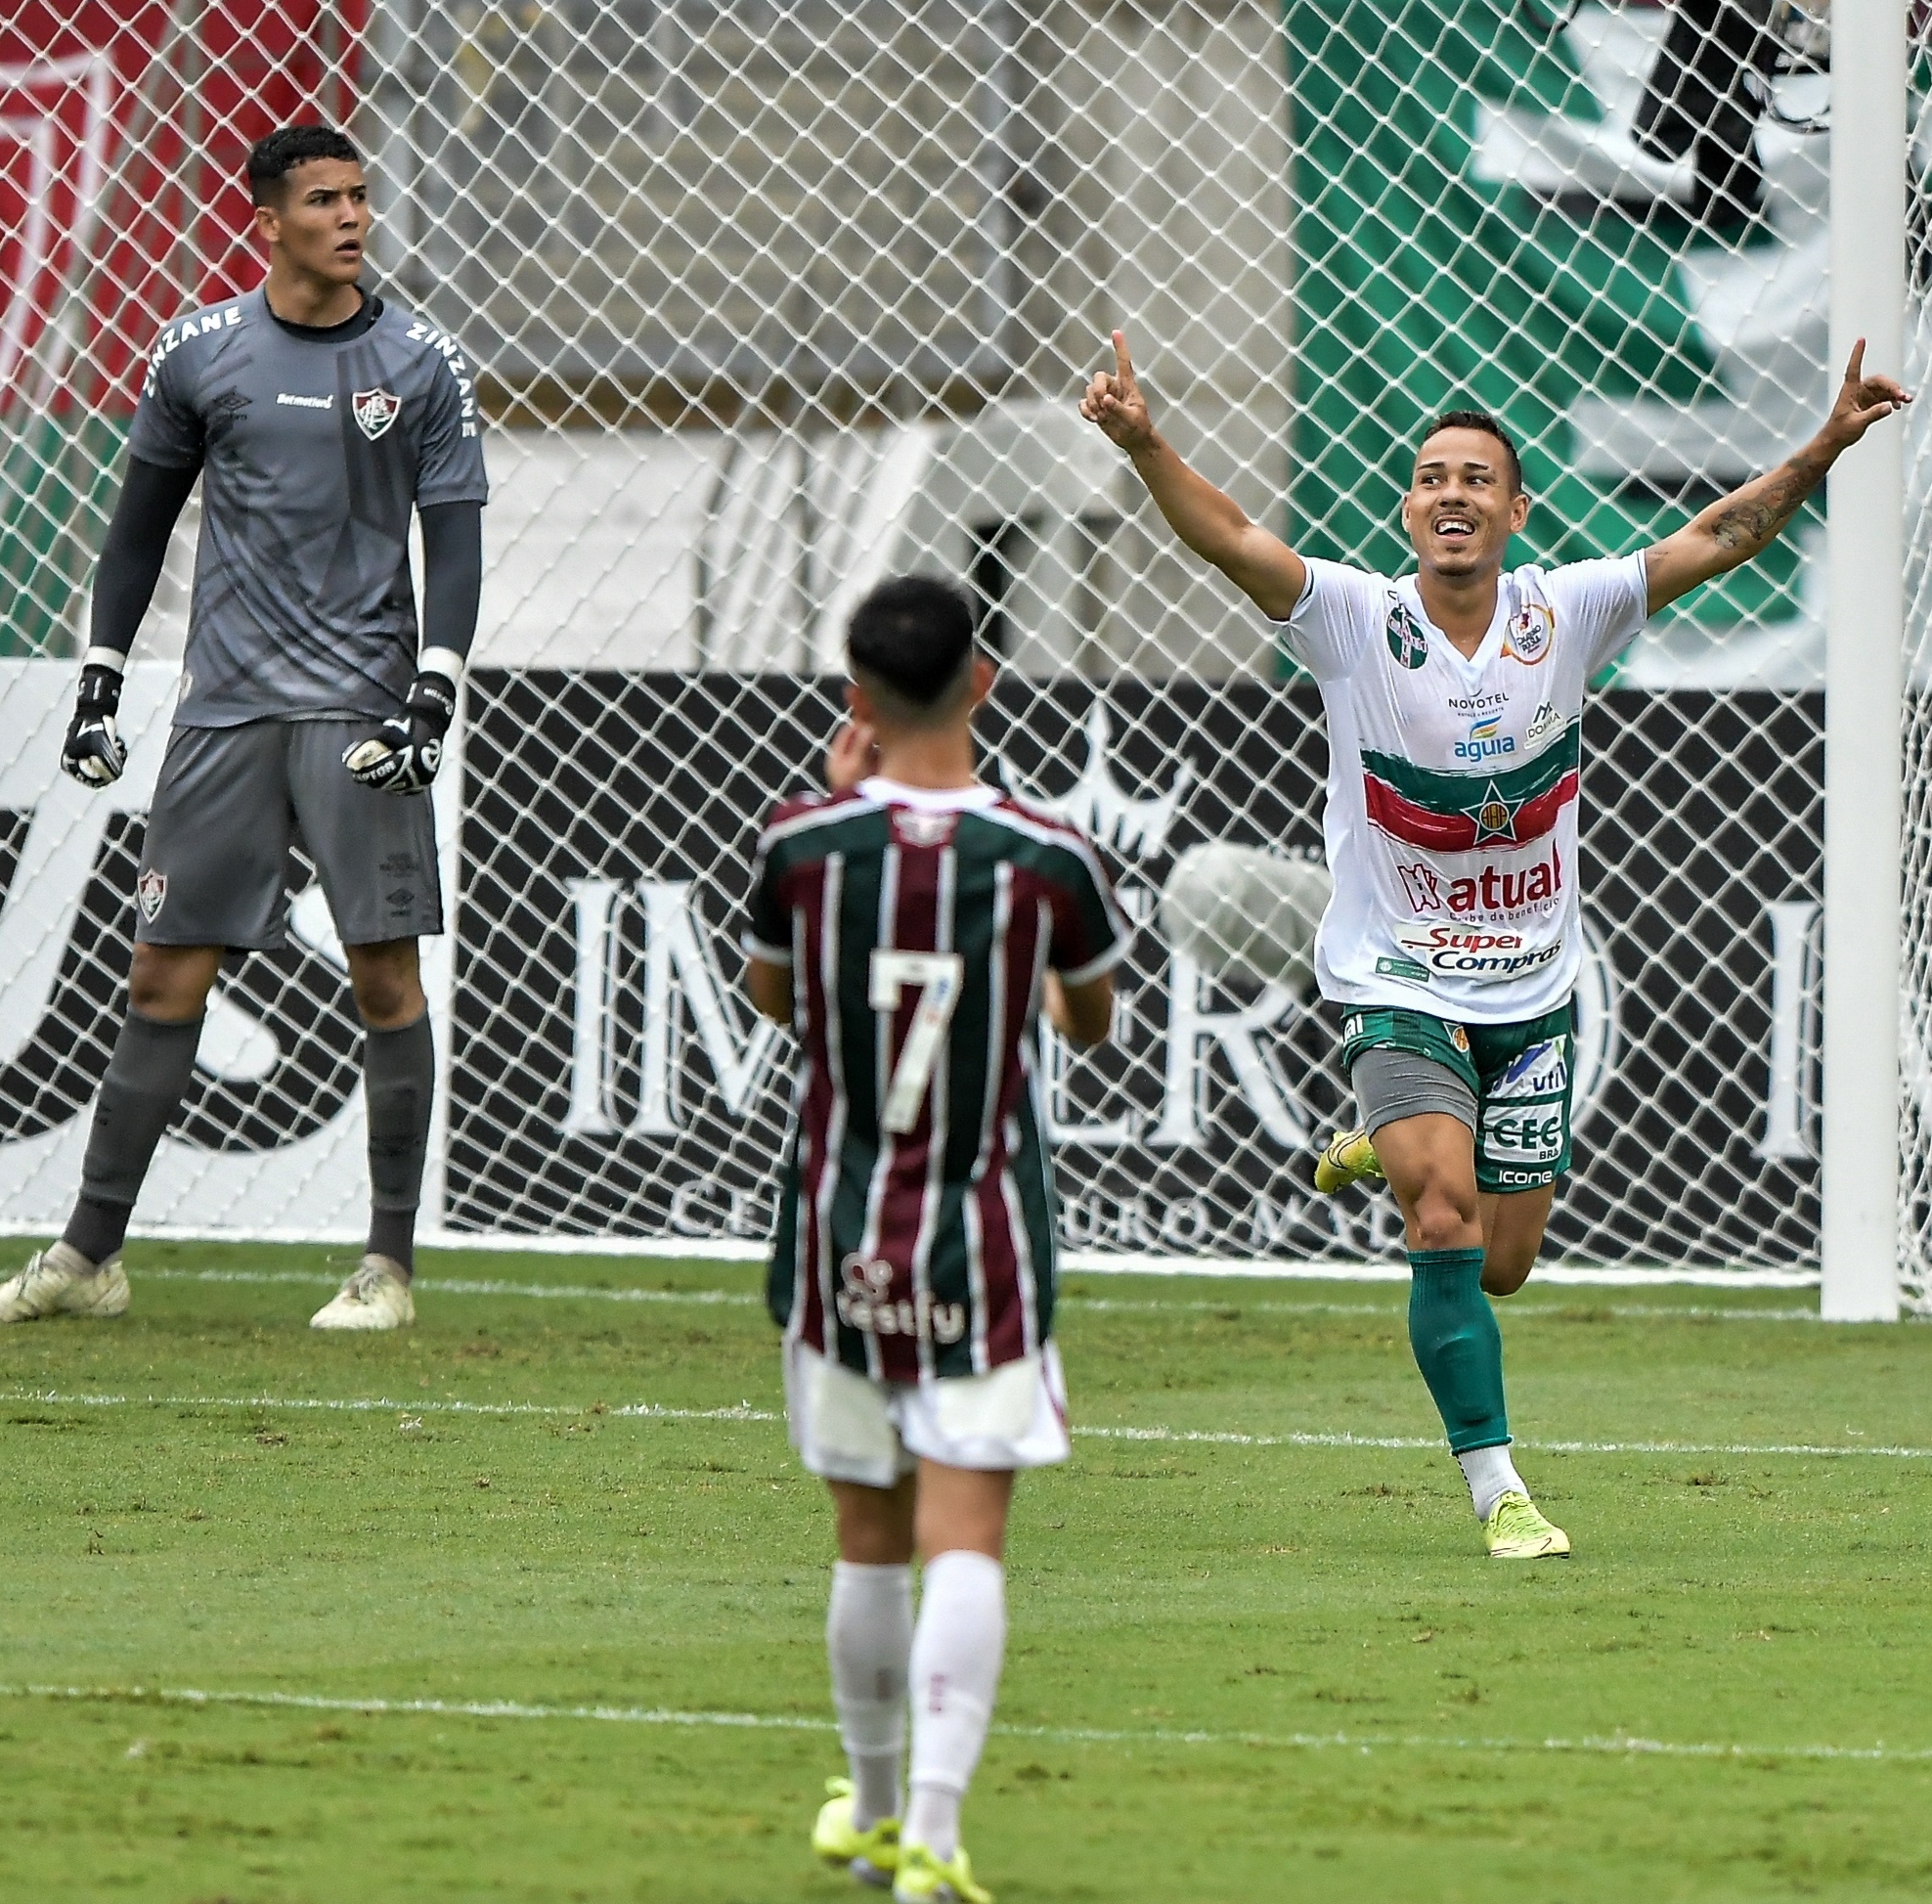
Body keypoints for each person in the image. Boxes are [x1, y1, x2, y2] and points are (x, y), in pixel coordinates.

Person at [1081, 329, 1908, 1558]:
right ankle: (1498, 1488)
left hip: (1533, 984)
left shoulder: (1565, 611)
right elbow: (1236, 541)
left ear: (1516, 509)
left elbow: (1722, 533)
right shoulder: (1356, 619)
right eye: (1430, 476)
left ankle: (1382, 1144)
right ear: (1406, 507)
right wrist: (1146, 444)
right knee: (1441, 1217)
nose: (1451, 493)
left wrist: (1829, 441)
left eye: (1476, 478)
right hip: (1396, 973)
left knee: (1506, 1262)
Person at [0, 124, 488, 1334]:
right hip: (222, 708)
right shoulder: (200, 351)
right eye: (324, 200)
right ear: (267, 218)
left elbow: (455, 536)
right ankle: (90, 1254)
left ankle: (388, 1266)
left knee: (383, 974)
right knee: (163, 970)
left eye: (360, 197)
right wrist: (101, 677)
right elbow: (137, 522)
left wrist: (433, 690)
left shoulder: (421, 360)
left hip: (360, 705)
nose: (352, 217)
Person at [743, 574, 1129, 1903]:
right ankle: (938, 1840)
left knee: (865, 1533)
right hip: (982, 1238)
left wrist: (835, 787)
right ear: (985, 681)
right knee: (965, 1533)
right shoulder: (1048, 857)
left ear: (854, 697)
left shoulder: (800, 845)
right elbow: (1090, 1027)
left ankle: (872, 1804)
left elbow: (775, 999)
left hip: (839, 1231)